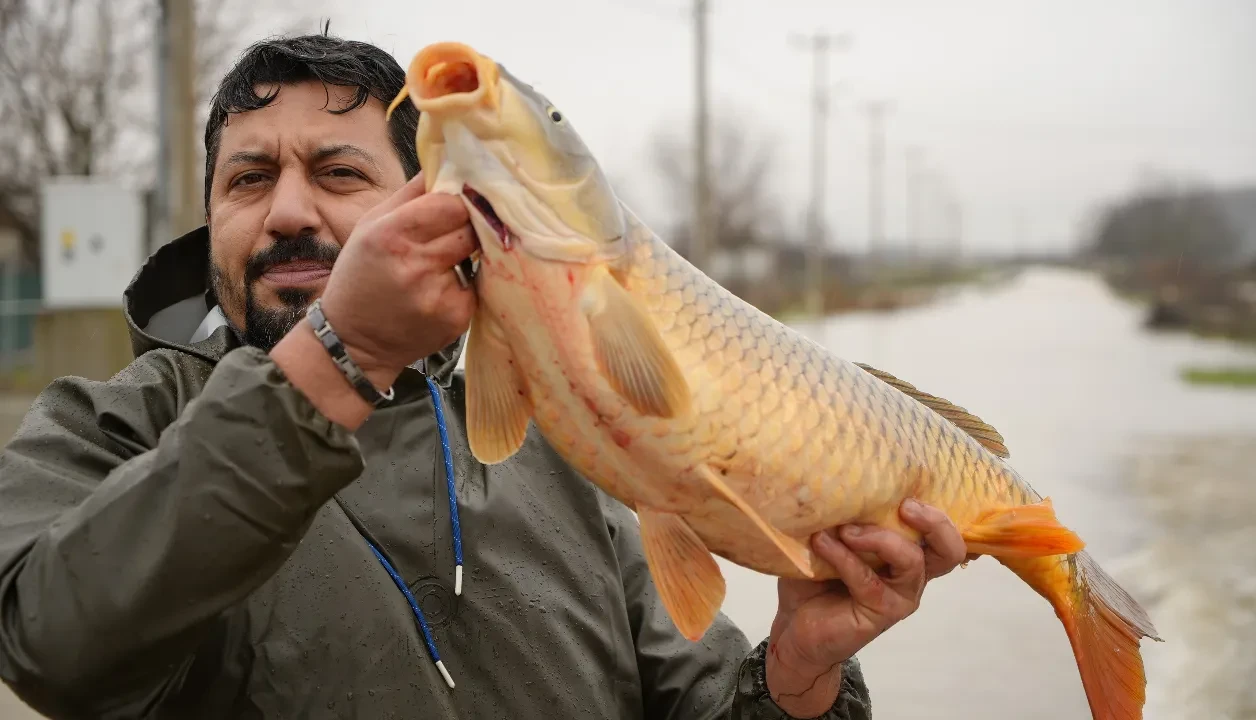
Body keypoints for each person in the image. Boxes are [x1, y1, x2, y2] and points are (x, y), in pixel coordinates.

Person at [0, 32, 969, 720]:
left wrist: (797, 680)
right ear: (209, 217)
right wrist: (341, 355)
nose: (289, 211)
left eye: (339, 175)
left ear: (430, 202)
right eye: (247, 180)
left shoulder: (563, 436)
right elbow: (48, 651)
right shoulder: (107, 426)